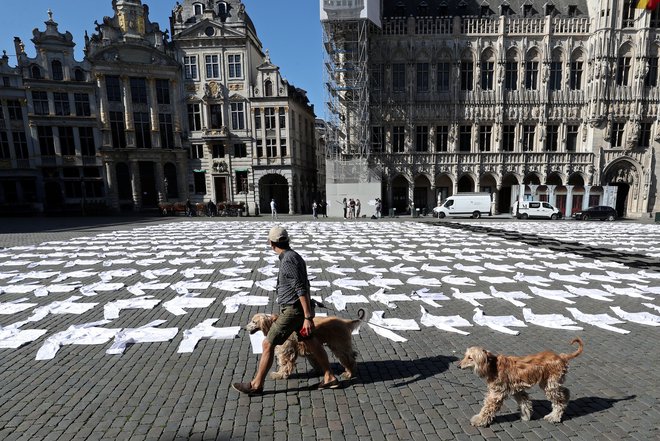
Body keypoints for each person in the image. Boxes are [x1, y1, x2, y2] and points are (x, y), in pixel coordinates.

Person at [233, 227, 339, 395]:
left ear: (271, 243)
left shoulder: (288, 260)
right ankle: (329, 376)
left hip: (292, 312)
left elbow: (300, 288)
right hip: (296, 310)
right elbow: (303, 285)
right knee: (311, 342)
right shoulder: (294, 256)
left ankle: (256, 385)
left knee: (268, 343)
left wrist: (307, 316)